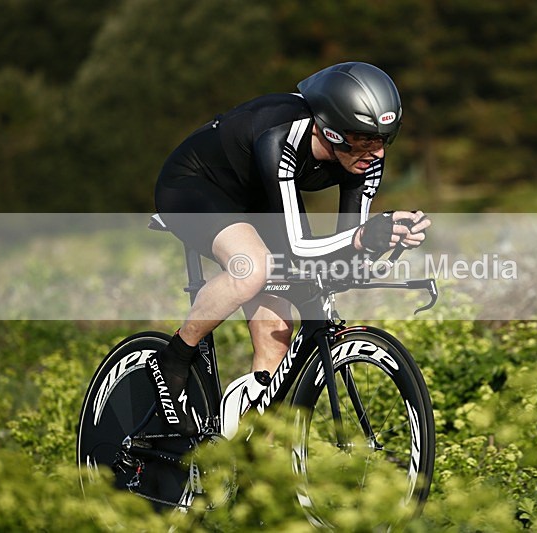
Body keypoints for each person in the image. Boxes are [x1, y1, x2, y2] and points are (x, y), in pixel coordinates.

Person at [146, 62, 431, 437]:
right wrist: (363, 238)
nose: (376, 153)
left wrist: (381, 239)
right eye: (365, 141)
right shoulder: (281, 136)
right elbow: (301, 246)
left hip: (258, 198)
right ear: (330, 130)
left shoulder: (366, 159)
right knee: (254, 268)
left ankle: (241, 454)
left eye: (384, 139)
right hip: (195, 185)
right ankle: (174, 357)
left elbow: (346, 250)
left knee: (280, 333)